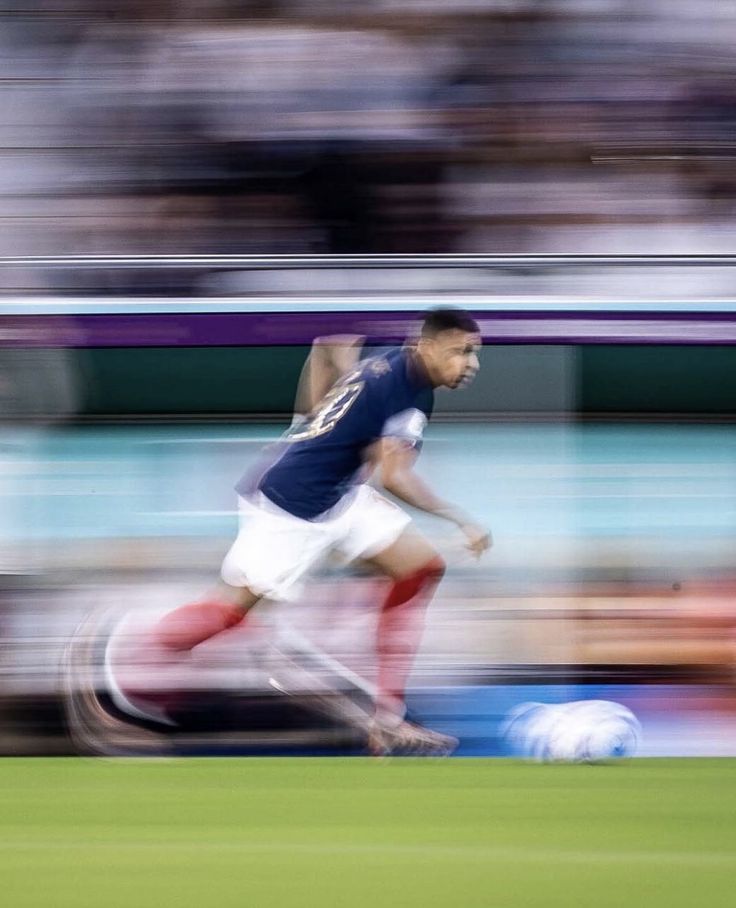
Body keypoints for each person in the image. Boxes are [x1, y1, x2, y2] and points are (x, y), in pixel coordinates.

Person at [111, 307, 491, 754]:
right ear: (427, 346)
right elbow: (394, 477)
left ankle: (387, 717)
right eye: (461, 352)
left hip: (337, 494)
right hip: (289, 508)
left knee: (420, 567)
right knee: (229, 614)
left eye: (474, 353)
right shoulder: (406, 391)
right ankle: (120, 643)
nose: (471, 364)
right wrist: (459, 517)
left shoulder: (393, 366)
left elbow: (324, 366)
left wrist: (322, 394)